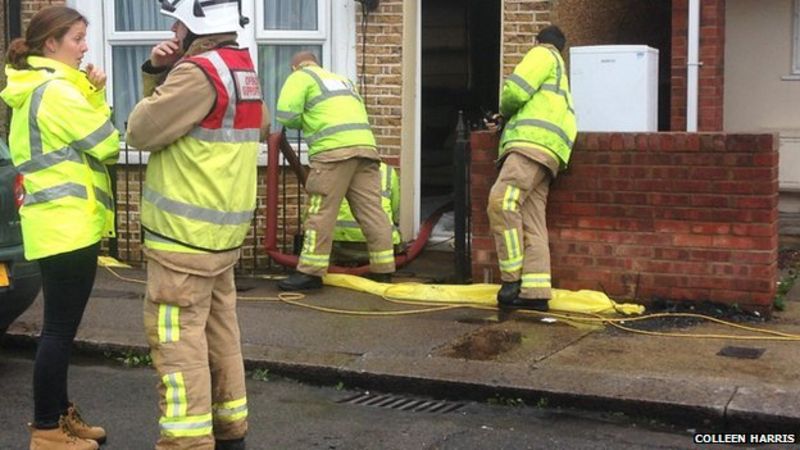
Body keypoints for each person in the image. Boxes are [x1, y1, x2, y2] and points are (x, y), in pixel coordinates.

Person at [125, 0, 268, 449]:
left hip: (182, 240)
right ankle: (230, 432)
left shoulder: (196, 73)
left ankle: (186, 442)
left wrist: (155, 70)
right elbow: (257, 129)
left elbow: (141, 131)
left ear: (196, 26)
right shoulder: (242, 68)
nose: (175, 29)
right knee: (220, 332)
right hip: (220, 237)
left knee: (178, 344)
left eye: (179, 22)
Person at [1, 6, 118, 450]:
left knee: (60, 328)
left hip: (55, 224)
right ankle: (48, 430)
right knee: (58, 331)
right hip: (67, 225)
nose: (85, 46)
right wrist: (94, 94)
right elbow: (106, 143)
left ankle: (60, 417)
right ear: (50, 44)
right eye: (77, 38)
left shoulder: (36, 87)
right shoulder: (57, 92)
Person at [276, 51, 395, 290]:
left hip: (333, 153)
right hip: (366, 150)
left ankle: (309, 273)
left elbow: (287, 115)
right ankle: (384, 269)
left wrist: (305, 122)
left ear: (294, 66)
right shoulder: (342, 81)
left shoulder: (301, 77)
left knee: (321, 211)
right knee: (372, 210)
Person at [487, 25, 577, 312]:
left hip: (529, 145)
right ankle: (536, 292)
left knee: (501, 202)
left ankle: (511, 280)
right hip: (550, 153)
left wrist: (503, 112)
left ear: (538, 41)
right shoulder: (561, 78)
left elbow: (515, 90)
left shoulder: (541, 54)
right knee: (533, 221)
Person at [331, 162, 402, 263]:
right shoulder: (388, 171)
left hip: (340, 241)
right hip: (380, 246)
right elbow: (395, 209)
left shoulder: (334, 168)